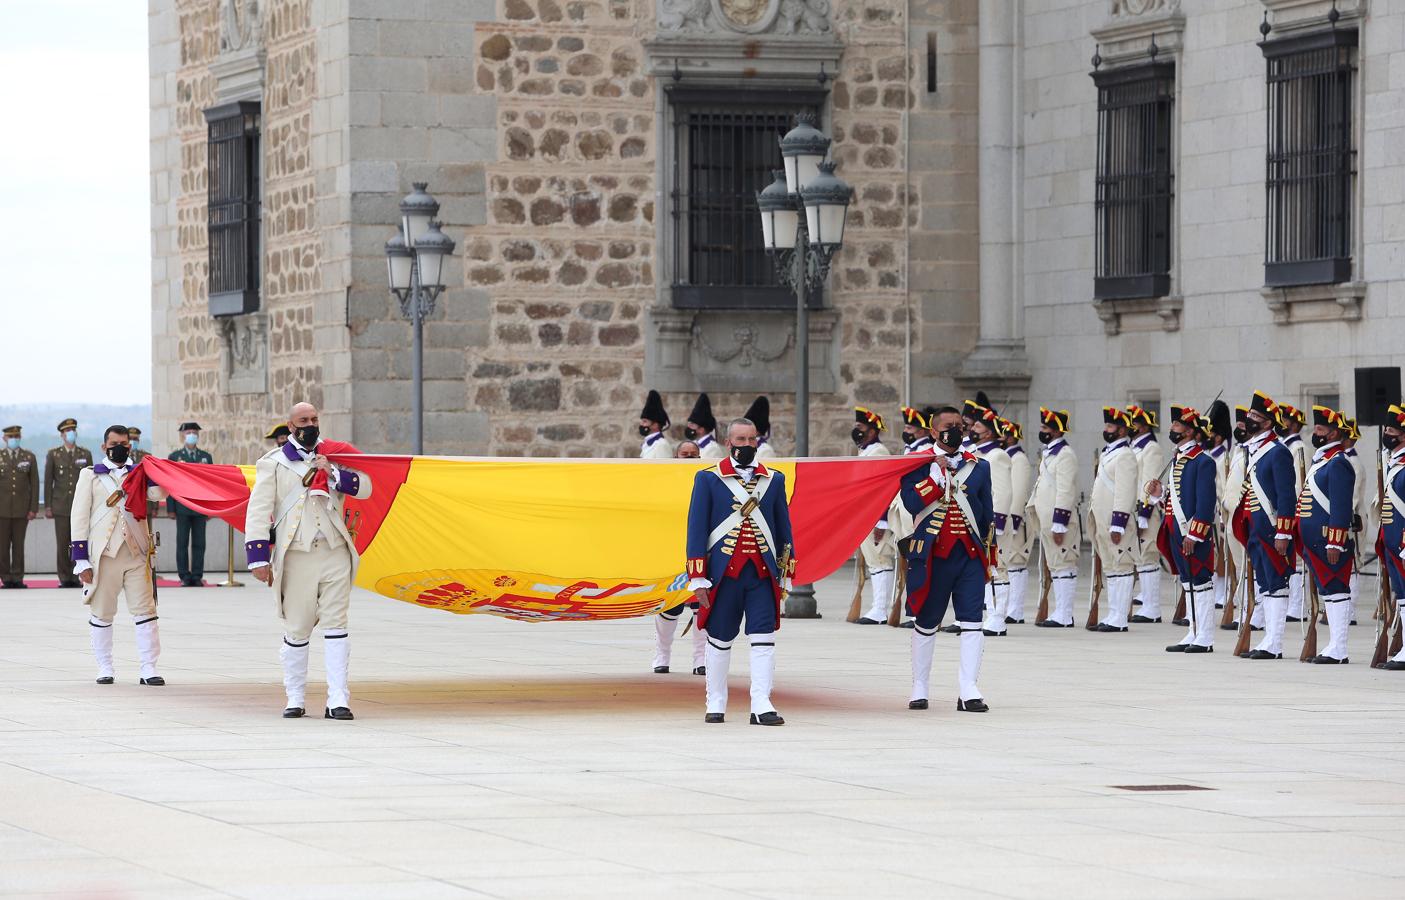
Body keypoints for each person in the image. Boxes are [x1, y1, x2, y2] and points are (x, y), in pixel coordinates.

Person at [245, 402, 373, 720]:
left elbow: (367, 488)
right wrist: (258, 558)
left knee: (337, 624)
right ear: (291, 426)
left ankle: (338, 699)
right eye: (303, 420)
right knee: (298, 628)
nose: (311, 424)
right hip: (297, 555)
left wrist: (335, 474)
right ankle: (295, 697)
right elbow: (258, 510)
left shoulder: (334, 457)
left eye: (314, 419)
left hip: (334, 551)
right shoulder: (273, 463)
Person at [686, 417, 794, 725]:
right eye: (740, 440)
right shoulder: (708, 479)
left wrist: (786, 571)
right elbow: (696, 530)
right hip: (724, 574)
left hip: (761, 574)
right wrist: (698, 577)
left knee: (764, 637)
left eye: (752, 439)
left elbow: (783, 528)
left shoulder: (774, 480)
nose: (747, 445)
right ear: (728, 442)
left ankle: (761, 704)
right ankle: (715, 702)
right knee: (720, 638)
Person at [899, 406, 993, 712]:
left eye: (959, 425)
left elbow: (986, 515)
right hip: (933, 555)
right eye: (949, 426)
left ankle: (969, 689)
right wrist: (936, 476)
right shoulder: (917, 464)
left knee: (973, 621)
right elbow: (912, 502)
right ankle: (919, 687)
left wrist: (989, 554)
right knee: (926, 621)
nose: (956, 430)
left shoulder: (979, 467)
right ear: (933, 431)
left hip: (968, 556)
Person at [70, 426, 167, 685]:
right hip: (104, 555)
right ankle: (105, 667)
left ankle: (149, 668)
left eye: (124, 443)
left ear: (130, 446)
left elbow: (158, 495)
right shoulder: (89, 475)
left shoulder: (139, 473)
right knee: (102, 613)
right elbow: (79, 517)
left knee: (146, 612)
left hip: (136, 551)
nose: (120, 447)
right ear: (104, 447)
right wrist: (81, 559)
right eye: (114, 443)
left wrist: (153, 472)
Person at [1232, 392, 1299, 661]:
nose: (1250, 420)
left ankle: (1275, 642)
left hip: (1272, 530)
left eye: (1256, 417)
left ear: (1269, 422)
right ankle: (1269, 638)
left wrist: (1283, 531)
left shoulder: (1278, 452)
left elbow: (1286, 496)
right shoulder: (1256, 450)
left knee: (1276, 583)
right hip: (1257, 530)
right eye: (1250, 416)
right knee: (1265, 585)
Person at [1148, 407, 1219, 654]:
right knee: (1188, 583)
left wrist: (1196, 534)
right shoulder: (1180, 458)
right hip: (1177, 531)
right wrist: (1159, 495)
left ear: (1190, 431)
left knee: (1201, 581)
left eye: (1177, 425)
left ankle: (1205, 636)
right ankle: (1193, 630)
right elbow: (1178, 498)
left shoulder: (1203, 461)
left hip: (1192, 533)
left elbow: (1204, 503)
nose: (1172, 429)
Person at [1298, 407, 1356, 664]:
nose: (1315, 433)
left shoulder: (1339, 463)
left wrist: (1335, 540)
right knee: (1329, 592)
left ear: (1333, 432)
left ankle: (1339, 648)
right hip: (1316, 541)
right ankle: (1333, 645)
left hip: (1328, 540)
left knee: (1336, 589)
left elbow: (1341, 508)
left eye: (1320, 429)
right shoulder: (1322, 461)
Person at [649, 441, 710, 676]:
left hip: (699, 549)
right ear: (676, 456)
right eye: (685, 455)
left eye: (694, 455)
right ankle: (662, 655)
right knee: (670, 606)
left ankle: (700, 659)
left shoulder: (707, 480)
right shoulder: (665, 481)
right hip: (672, 549)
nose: (689, 458)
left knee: (699, 603)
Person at [1090, 407, 1141, 632]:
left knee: (1122, 566)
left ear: (1122, 429)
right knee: (1111, 568)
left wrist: (1118, 522)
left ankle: (1120, 617)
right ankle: (1112, 614)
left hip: (1115, 520)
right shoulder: (1108, 452)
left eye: (1110, 426)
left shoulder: (1126, 455)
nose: (1106, 430)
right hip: (1102, 518)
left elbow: (1126, 491)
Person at [1031, 408, 1081, 627]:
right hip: (1046, 518)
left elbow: (1065, 490)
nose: (1041, 431)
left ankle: (1065, 613)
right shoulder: (1050, 453)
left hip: (1059, 520)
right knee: (1055, 565)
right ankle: (1059, 611)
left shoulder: (1065, 455)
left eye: (1045, 428)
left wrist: (1059, 523)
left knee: (1064, 564)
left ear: (1055, 431)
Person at [966, 406, 1012, 636]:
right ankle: (990, 614)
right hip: (980, 521)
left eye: (977, 426)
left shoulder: (998, 456)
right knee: (985, 567)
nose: (972, 429)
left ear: (989, 432)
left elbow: (1002, 493)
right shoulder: (978, 454)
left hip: (993, 523)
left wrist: (998, 524)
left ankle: (997, 618)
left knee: (997, 567)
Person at [853, 408, 896, 624]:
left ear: (871, 431)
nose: (856, 431)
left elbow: (883, 489)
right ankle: (877, 607)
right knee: (873, 561)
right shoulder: (866, 451)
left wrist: (881, 520)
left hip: (875, 515)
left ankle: (880, 609)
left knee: (880, 560)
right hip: (865, 514)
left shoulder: (878, 452)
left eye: (860, 428)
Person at [1126, 406, 1166, 624]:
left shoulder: (1151, 448)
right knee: (1139, 557)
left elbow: (1150, 482)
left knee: (1148, 555)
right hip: (1133, 509)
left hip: (1146, 510)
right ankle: (1147, 604)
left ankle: (1152, 607)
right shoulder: (1134, 448)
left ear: (1142, 426)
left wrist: (1144, 512)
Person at [45, 418, 94, 588]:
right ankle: (65, 577)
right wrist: (49, 506)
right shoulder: (54, 454)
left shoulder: (85, 454)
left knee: (79, 542)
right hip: (61, 506)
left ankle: (79, 574)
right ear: (62, 435)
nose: (71, 434)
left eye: (73, 430)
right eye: (67, 431)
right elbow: (48, 481)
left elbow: (91, 481)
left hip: (80, 507)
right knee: (63, 543)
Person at [167, 422, 213, 587]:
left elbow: (211, 484)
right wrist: (171, 508)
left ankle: (197, 575)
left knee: (200, 543)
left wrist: (210, 508)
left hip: (200, 506)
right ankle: (184, 576)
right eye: (189, 432)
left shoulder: (206, 457)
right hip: (182, 506)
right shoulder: (175, 457)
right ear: (183, 435)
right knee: (182, 543)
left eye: (194, 432)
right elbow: (169, 483)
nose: (192, 435)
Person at [1378, 403, 1405, 670]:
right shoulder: (1394, 463)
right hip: (1393, 540)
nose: (1387, 433)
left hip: (1403, 542)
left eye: (1392, 429)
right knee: (1403, 594)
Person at [1277, 404, 1309, 622]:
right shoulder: (1282, 446)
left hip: (1294, 507)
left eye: (1286, 420)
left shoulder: (1298, 447)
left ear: (1295, 424)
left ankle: (1297, 606)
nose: (1282, 423)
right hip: (1282, 508)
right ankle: (1290, 601)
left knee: (1297, 561)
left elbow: (1298, 483)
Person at [1001, 417, 1034, 625]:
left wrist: (1012, 520)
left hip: (1015, 520)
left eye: (1004, 434)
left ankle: (1016, 609)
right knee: (1007, 563)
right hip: (1006, 520)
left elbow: (1018, 491)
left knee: (1016, 563)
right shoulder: (1005, 457)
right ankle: (1009, 608)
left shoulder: (1018, 459)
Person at [0, 425, 39, 588]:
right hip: (2, 510)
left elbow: (34, 484)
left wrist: (33, 508)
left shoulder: (28, 457)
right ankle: (5, 577)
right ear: (4, 439)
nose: (14, 439)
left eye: (17, 436)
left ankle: (17, 577)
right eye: (11, 437)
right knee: (2, 546)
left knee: (18, 546)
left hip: (22, 510)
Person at [1341, 417, 1366, 626]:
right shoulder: (1343, 459)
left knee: (1353, 564)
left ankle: (1350, 610)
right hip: (1346, 517)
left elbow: (1353, 497)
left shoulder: (1353, 462)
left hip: (1353, 518)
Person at [684, 393, 724, 459]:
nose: (689, 426)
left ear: (701, 429)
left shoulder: (712, 448)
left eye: (692, 424)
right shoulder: (694, 444)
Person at [639, 390, 673, 460]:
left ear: (655, 425)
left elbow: (664, 469)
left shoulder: (661, 445)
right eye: (642, 421)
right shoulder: (647, 444)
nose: (641, 424)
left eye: (645, 421)